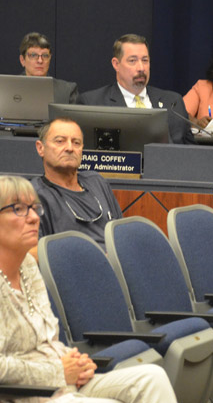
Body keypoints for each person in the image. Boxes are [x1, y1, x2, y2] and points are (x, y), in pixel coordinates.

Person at [0, 175, 178, 402]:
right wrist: (57, 371)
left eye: (35, 208)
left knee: (152, 378)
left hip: (63, 382)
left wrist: (76, 361)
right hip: (26, 394)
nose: (34, 218)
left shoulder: (28, 267)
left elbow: (48, 339)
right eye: (18, 209)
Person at [76, 34, 194, 145]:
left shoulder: (173, 102)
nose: (141, 68)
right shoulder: (93, 103)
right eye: (132, 61)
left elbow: (191, 151)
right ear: (116, 64)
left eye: (145, 60)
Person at [31, 118, 122, 252]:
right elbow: (32, 254)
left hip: (117, 267)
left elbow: (121, 234)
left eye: (76, 143)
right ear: (40, 148)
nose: (69, 148)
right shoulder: (34, 194)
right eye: (60, 141)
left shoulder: (96, 181)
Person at [19, 32, 79, 104]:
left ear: (50, 58)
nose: (40, 61)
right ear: (22, 60)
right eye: (33, 55)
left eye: (45, 55)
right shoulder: (8, 88)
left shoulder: (67, 91)